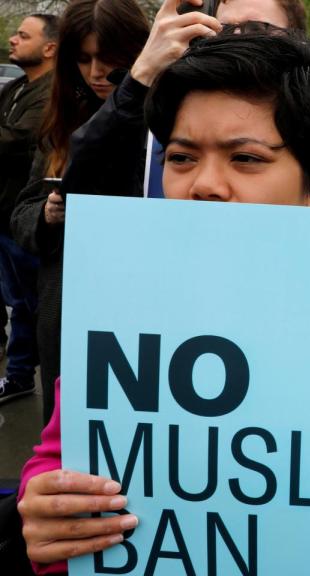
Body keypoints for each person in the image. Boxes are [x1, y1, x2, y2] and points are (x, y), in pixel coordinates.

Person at [16, 31, 310, 573]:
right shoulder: (124, 311)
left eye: (246, 158)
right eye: (181, 157)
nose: (204, 185)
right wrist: (45, 510)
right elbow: (59, 459)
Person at [9, 0, 150, 424]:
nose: (96, 73)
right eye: (84, 59)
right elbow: (22, 211)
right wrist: (46, 215)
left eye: (109, 59)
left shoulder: (164, 118)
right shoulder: (62, 116)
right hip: (67, 307)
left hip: (140, 303)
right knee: (69, 433)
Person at [0, 14, 57, 404]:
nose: (12, 39)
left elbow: (16, 140)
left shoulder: (53, 93)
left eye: (23, 34)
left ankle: (21, 375)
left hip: (26, 217)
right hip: (7, 213)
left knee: (27, 304)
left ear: (50, 48)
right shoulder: (18, 87)